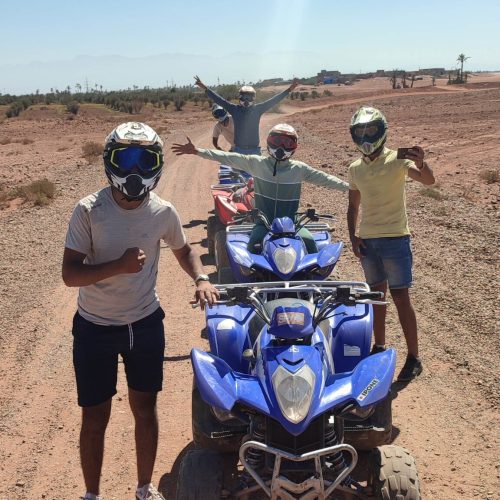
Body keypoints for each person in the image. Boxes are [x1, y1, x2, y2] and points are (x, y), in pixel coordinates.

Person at [62, 122, 218, 500]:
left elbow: (183, 250)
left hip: (145, 323)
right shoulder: (89, 211)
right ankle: (92, 494)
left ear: (157, 165)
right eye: (125, 159)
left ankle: (145, 488)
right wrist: (118, 265)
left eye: (144, 160)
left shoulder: (162, 211)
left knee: (145, 408)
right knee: (95, 415)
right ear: (109, 162)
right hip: (94, 327)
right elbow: (70, 274)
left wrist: (200, 278)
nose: (134, 171)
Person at [346, 106, 435, 381]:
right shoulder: (355, 168)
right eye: (360, 131)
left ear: (382, 131)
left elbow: (429, 182)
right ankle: (379, 345)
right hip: (368, 242)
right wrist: (353, 237)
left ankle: (414, 357)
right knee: (377, 296)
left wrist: (421, 163)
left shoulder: (397, 158)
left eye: (370, 130)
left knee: (400, 297)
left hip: (396, 238)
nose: (365, 136)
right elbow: (353, 206)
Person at [172, 123, 348, 253]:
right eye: (277, 141)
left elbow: (325, 178)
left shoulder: (299, 169)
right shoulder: (257, 163)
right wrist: (197, 151)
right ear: (269, 142)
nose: (281, 147)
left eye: (287, 143)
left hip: (291, 223)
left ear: (294, 147)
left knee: (311, 247)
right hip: (263, 222)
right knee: (253, 248)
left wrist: (350, 187)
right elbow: (227, 157)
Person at [195, 76, 299, 154]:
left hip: (255, 150)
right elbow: (219, 99)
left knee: (255, 180)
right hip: (239, 150)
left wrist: (290, 89)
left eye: (249, 98)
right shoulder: (234, 109)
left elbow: (274, 100)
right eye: (243, 97)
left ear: (253, 99)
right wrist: (205, 88)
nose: (246, 100)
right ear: (239, 97)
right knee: (237, 179)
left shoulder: (258, 109)